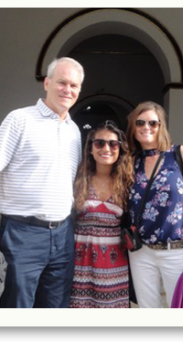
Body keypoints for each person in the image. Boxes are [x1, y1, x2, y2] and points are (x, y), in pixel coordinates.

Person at [0, 57, 84, 308]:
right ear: (47, 83)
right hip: (22, 235)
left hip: (63, 236)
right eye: (61, 82)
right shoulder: (19, 120)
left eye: (74, 85)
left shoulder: (74, 131)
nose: (68, 90)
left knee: (55, 310)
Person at [125, 101, 183, 308]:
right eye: (140, 122)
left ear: (161, 126)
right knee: (148, 310)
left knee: (181, 309)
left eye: (153, 123)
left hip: (177, 250)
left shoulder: (180, 155)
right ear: (133, 128)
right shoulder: (130, 161)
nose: (147, 127)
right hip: (140, 252)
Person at [69, 120, 133, 308]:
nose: (107, 148)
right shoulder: (77, 179)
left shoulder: (127, 182)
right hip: (79, 260)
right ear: (90, 148)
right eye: (100, 143)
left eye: (113, 144)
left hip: (114, 262)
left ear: (120, 149)